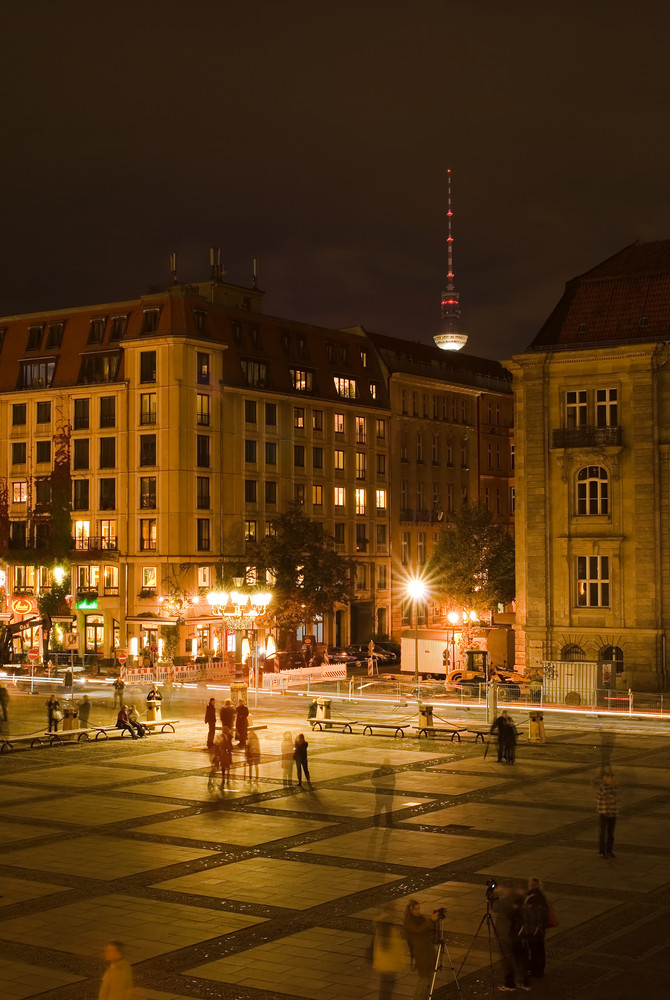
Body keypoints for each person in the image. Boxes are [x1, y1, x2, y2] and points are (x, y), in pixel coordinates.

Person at [495, 885, 530, 992]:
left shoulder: (506, 902)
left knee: (507, 959)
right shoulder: (521, 900)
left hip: (507, 935)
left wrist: (494, 894)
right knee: (520, 958)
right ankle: (524, 982)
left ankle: (510, 984)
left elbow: (495, 907)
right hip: (519, 934)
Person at [402, 899, 438, 1000]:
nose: (418, 911)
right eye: (415, 909)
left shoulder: (421, 918)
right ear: (410, 910)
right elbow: (418, 930)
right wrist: (431, 920)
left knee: (430, 978)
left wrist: (433, 919)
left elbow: (426, 927)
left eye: (419, 908)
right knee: (423, 978)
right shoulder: (409, 922)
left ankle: (425, 998)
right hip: (421, 953)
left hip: (429, 950)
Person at [372, 905, 407, 1000]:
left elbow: (376, 946)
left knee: (384, 987)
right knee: (388, 988)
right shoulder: (392, 931)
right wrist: (402, 961)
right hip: (391, 964)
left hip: (382, 963)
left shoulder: (379, 928)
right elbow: (397, 948)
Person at [523, 876, 550, 978]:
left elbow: (524, 913)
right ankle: (540, 970)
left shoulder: (528, 896)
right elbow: (546, 913)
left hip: (531, 928)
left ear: (530, 885)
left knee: (532, 949)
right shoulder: (542, 896)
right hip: (540, 929)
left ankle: (534, 970)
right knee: (540, 949)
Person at [597, 767, 619, 858]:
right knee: (603, 833)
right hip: (604, 812)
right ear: (605, 779)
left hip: (612, 813)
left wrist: (614, 798)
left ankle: (609, 850)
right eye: (610, 778)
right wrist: (612, 799)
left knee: (611, 834)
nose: (612, 779)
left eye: (612, 778)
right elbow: (607, 797)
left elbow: (616, 798)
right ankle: (602, 852)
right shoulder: (602, 788)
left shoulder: (614, 787)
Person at [371, 759, 395, 827]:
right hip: (382, 792)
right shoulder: (379, 772)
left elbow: (393, 781)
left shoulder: (391, 771)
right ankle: (378, 822)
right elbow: (374, 781)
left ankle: (387, 822)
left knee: (387, 807)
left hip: (386, 792)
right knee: (380, 807)